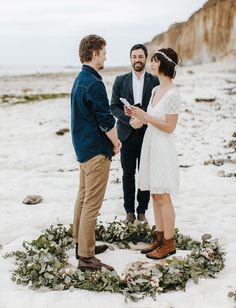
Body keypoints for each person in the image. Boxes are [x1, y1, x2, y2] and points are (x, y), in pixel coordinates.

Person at [71, 34, 121, 270]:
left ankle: (81, 244)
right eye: (103, 52)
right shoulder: (94, 82)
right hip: (95, 151)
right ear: (94, 54)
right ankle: (86, 257)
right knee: (91, 203)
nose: (105, 57)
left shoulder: (80, 79)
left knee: (82, 199)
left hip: (82, 149)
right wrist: (117, 143)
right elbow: (106, 121)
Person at [129, 48, 181, 259]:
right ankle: (158, 238)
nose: (151, 63)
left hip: (163, 146)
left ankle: (169, 242)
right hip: (150, 143)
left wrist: (146, 117)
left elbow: (169, 127)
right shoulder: (154, 91)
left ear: (164, 64)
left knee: (163, 194)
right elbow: (146, 119)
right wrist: (136, 116)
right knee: (154, 193)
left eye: (154, 60)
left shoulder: (172, 94)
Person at [111, 44, 159, 224]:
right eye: (134, 56)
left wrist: (144, 120)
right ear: (130, 59)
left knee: (145, 174)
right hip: (126, 134)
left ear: (145, 59)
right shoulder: (120, 80)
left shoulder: (154, 81)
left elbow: (157, 107)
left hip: (148, 134)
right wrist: (129, 120)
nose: (137, 60)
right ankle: (129, 212)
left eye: (140, 56)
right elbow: (113, 107)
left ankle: (142, 211)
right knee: (127, 174)